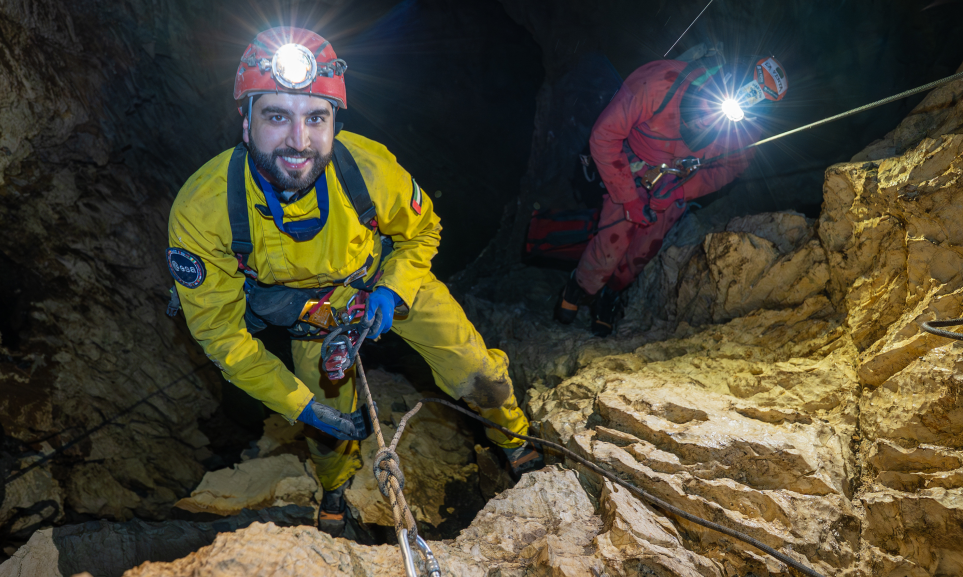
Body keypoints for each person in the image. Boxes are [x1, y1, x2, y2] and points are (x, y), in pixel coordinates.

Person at [167, 27, 541, 538]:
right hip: (310, 318)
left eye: (315, 118)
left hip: (382, 280)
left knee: (477, 370)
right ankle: (335, 489)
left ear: (334, 122)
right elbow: (221, 335)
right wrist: (300, 405)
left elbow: (422, 231)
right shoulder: (204, 211)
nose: (299, 141)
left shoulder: (366, 166)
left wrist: (392, 288)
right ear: (245, 120)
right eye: (277, 116)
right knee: (326, 427)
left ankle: (515, 441)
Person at [555, 55, 789, 336]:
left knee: (642, 252)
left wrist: (681, 190)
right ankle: (580, 285)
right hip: (630, 165)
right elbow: (605, 136)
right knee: (613, 240)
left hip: (673, 183)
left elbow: (727, 169)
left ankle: (612, 292)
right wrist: (628, 197)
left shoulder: (744, 130)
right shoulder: (659, 82)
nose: (706, 120)